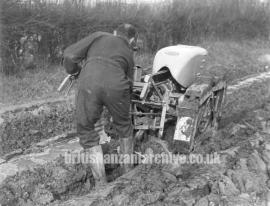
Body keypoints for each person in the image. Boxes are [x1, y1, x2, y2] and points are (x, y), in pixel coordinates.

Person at [63, 24, 138, 187]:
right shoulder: (129, 52)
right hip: (117, 87)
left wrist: (74, 71)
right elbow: (130, 84)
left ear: (114, 32)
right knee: (125, 128)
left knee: (87, 130)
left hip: (89, 83)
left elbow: (69, 56)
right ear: (131, 40)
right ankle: (128, 174)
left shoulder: (98, 35)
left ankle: (101, 183)